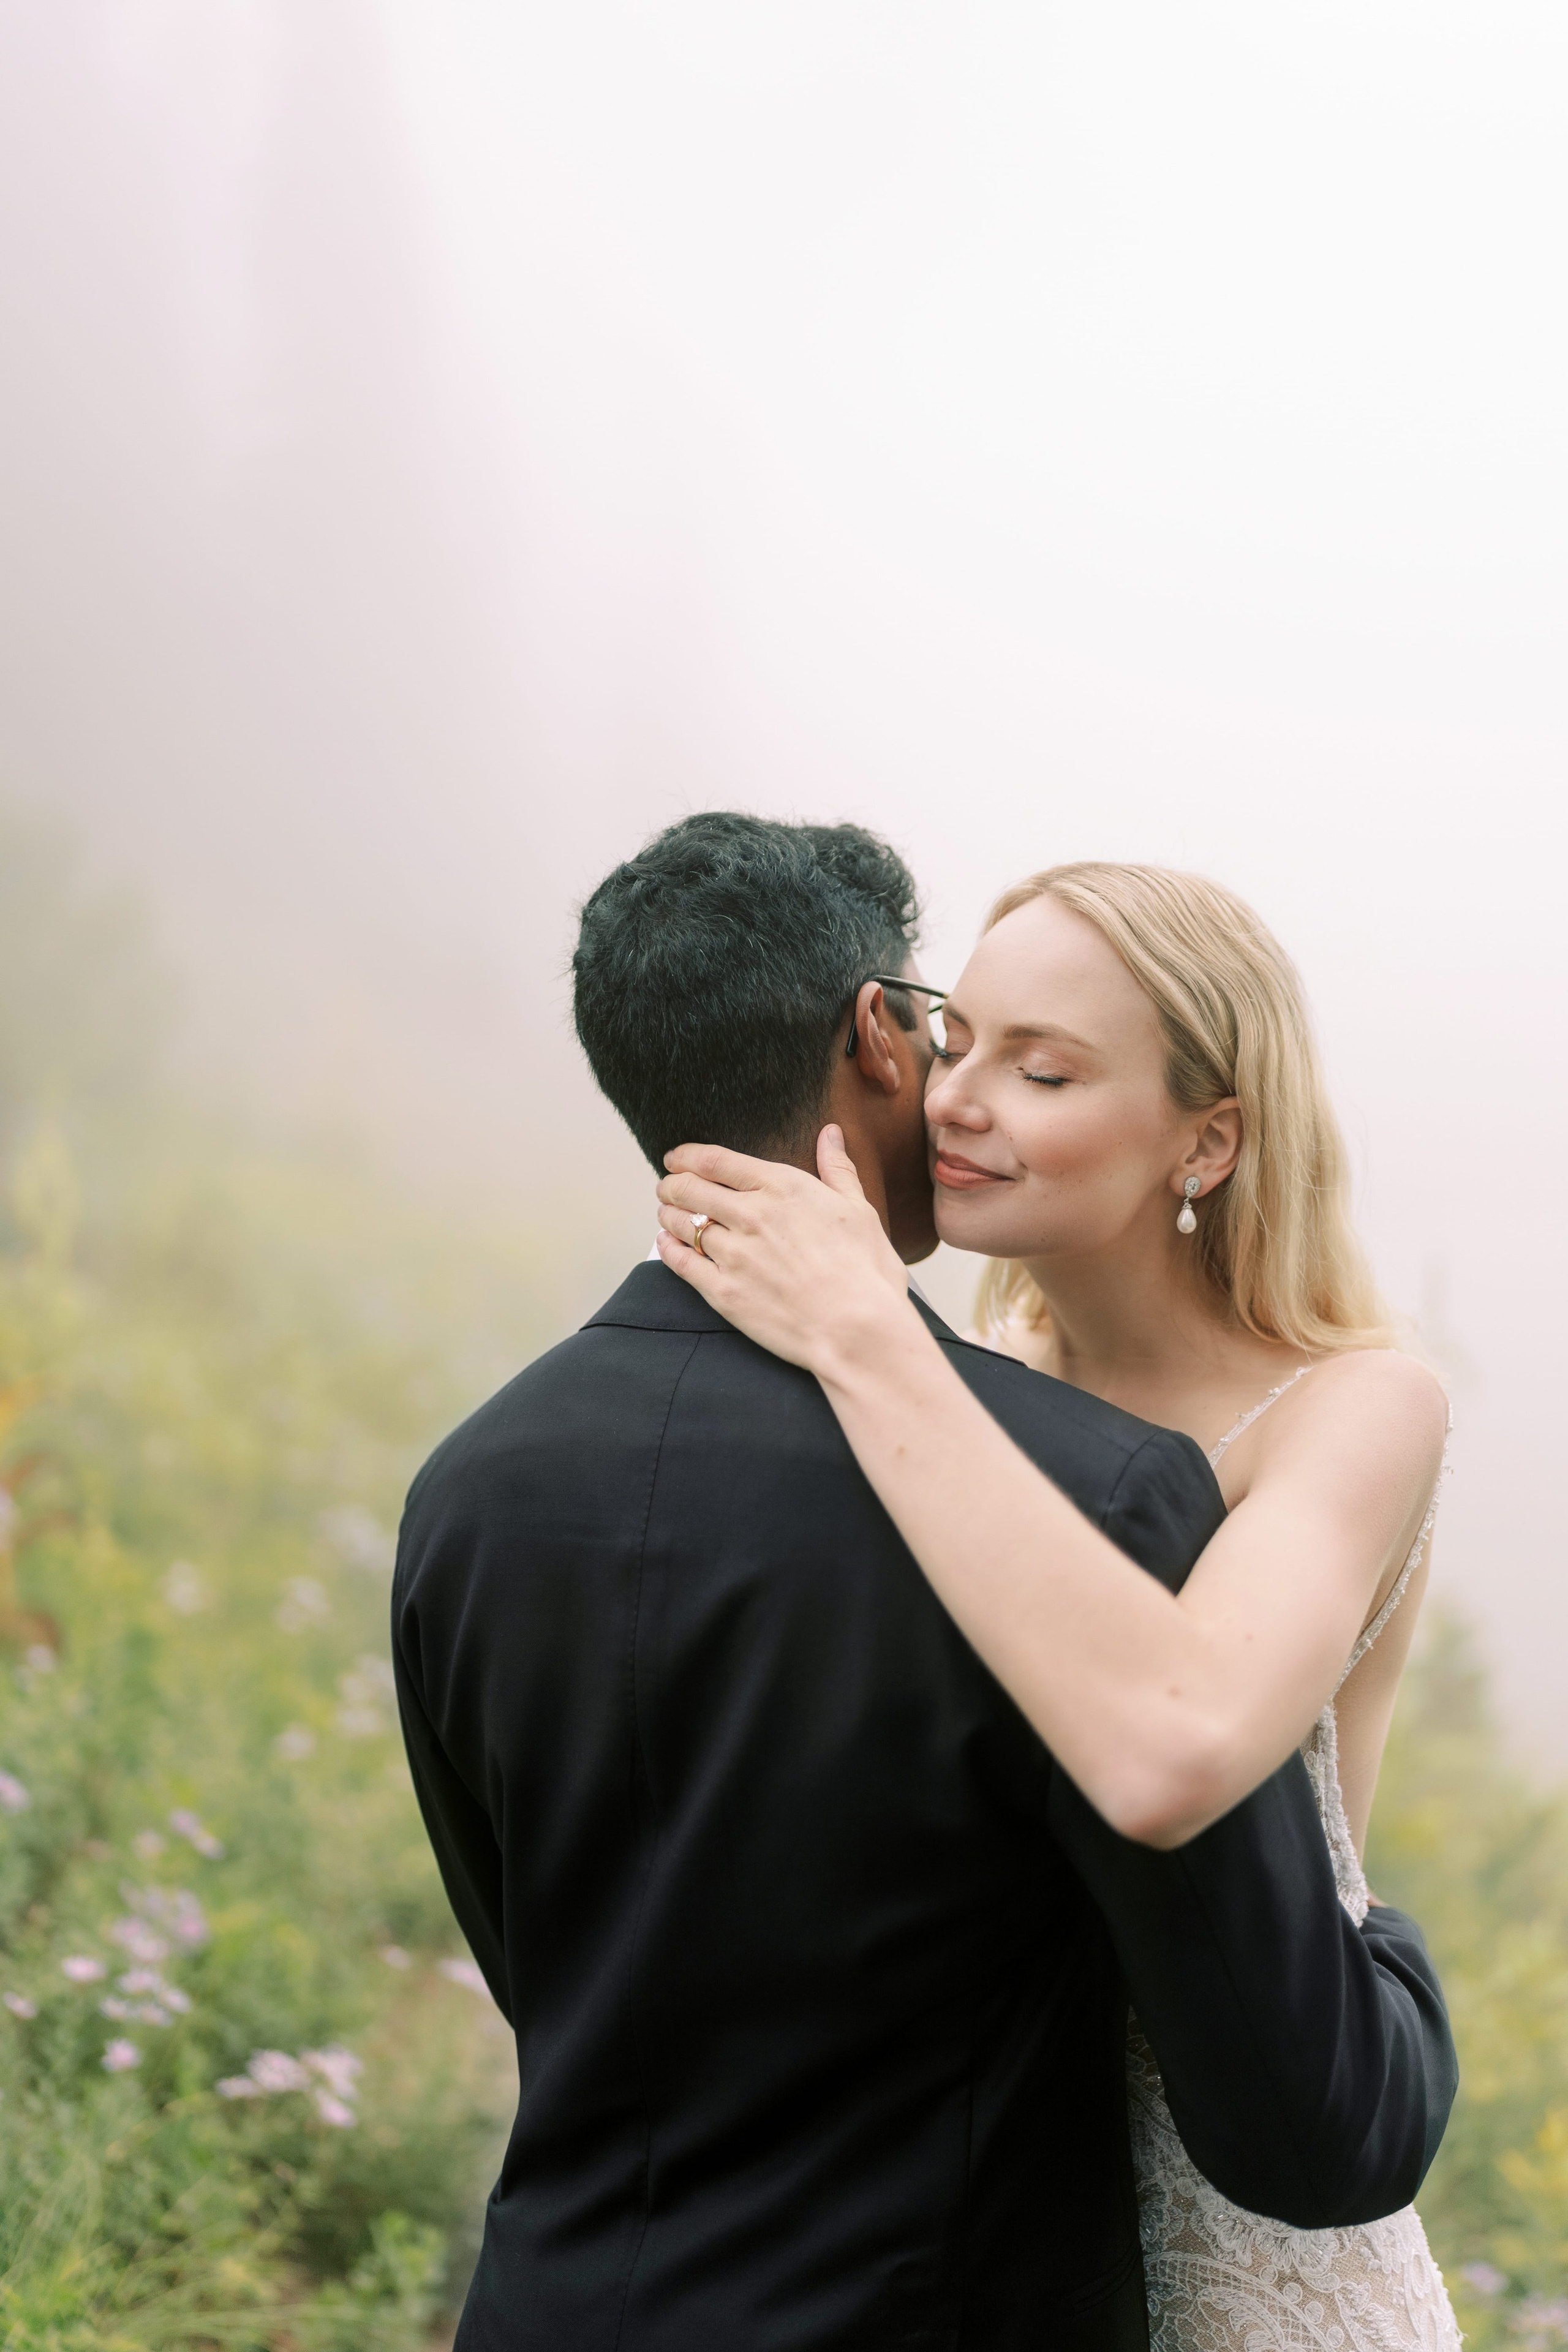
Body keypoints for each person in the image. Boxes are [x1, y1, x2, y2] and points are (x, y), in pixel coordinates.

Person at [394, 816, 1456, 2352]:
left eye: (1041, 1069)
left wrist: (869, 1332)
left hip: (1245, 2206)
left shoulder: (1349, 1404)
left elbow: (1194, 1771)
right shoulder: (981, 1398)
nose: (952, 1099)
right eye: (956, 1039)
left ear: (1206, 1140)